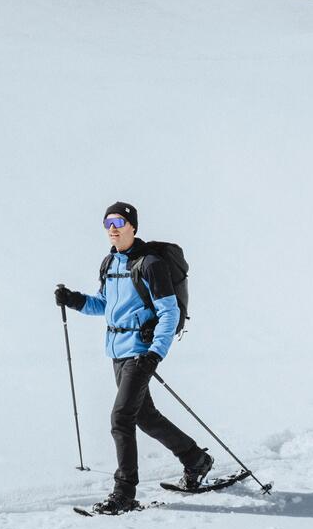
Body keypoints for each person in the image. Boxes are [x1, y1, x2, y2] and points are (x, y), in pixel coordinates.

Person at [54, 202, 212, 513]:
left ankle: (124, 492)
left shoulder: (150, 264)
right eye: (107, 222)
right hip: (117, 350)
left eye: (119, 222)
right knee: (145, 416)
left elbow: (169, 312)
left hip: (141, 352)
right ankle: (196, 460)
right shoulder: (110, 263)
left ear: (133, 226)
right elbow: (104, 304)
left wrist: (155, 353)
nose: (112, 228)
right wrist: (74, 300)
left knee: (121, 418)